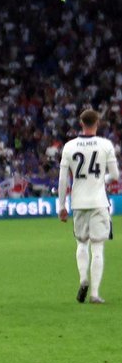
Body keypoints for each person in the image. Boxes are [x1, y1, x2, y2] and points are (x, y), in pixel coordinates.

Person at [57, 108, 119, 304]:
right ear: (97, 123)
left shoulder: (69, 146)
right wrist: (102, 179)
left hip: (78, 202)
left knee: (81, 243)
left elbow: (62, 180)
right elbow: (115, 175)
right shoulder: (105, 145)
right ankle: (94, 293)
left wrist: (61, 206)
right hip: (99, 202)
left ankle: (83, 278)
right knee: (98, 247)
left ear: (81, 123)